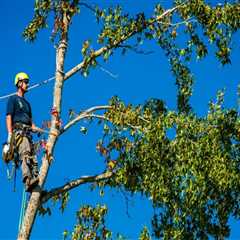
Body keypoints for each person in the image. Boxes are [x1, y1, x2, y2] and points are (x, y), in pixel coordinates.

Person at [6, 72, 39, 192]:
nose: (27, 84)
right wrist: (10, 134)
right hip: (19, 132)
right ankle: (27, 180)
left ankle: (36, 185)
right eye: (25, 82)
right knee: (25, 153)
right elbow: (9, 117)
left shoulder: (27, 104)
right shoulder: (13, 99)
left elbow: (31, 120)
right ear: (19, 83)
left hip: (28, 133)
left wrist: (34, 127)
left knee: (34, 159)